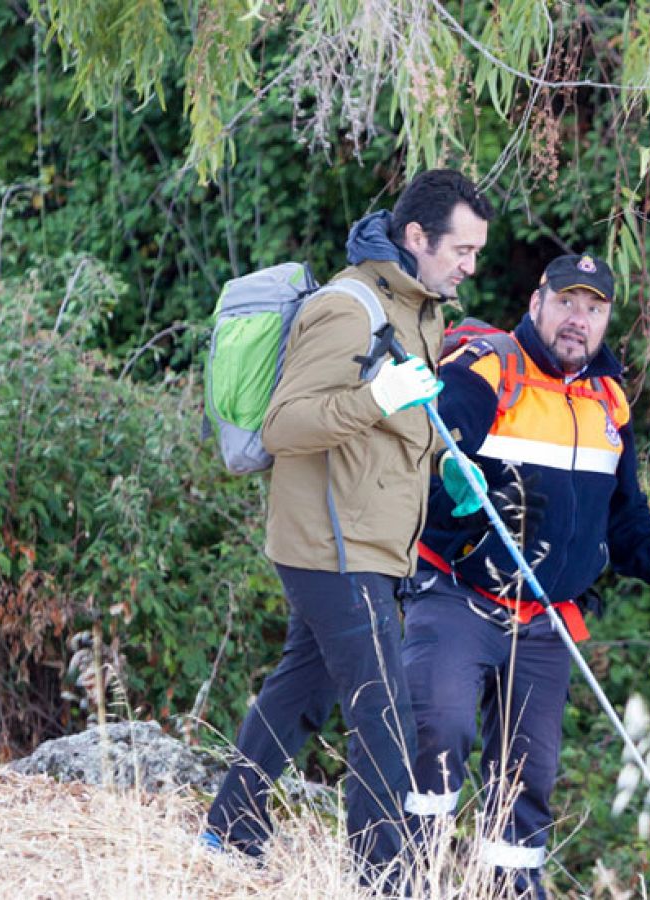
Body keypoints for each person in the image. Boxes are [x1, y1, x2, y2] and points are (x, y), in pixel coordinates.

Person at [399, 253, 650, 898]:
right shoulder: (489, 368)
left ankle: (512, 889)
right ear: (537, 304)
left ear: (608, 320)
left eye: (594, 308)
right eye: (566, 302)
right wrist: (457, 471)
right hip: (459, 598)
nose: (577, 320)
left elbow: (625, 515)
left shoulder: (609, 401)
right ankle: (405, 879)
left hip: (546, 621)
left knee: (530, 776)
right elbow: (437, 436)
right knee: (438, 730)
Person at [203, 169, 496, 882]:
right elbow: (287, 424)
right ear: (417, 237)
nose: (471, 265)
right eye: (461, 249)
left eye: (477, 252)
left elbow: (390, 427)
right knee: (385, 716)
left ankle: (228, 826)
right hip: (331, 546)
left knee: (303, 690)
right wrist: (376, 397)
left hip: (369, 541)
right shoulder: (349, 308)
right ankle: (380, 877)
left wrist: (443, 464)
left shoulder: (420, 310)